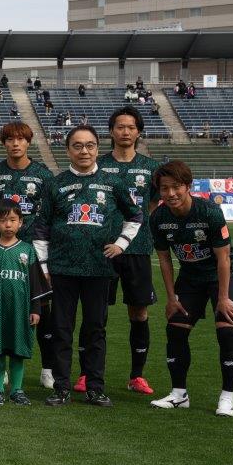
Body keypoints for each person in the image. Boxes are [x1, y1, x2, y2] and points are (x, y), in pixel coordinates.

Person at [34, 126, 143, 409]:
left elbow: (135, 215)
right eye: (78, 145)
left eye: (90, 145)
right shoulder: (55, 184)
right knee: (61, 329)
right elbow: (41, 229)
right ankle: (61, 388)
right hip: (61, 269)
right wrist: (44, 266)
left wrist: (121, 243)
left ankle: (95, 388)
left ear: (97, 148)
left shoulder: (113, 183)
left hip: (99, 269)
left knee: (95, 329)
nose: (84, 151)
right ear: (68, 150)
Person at [147, 161, 233, 417]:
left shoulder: (209, 211)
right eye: (164, 188)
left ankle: (227, 398)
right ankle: (179, 395)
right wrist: (171, 298)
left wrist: (223, 298)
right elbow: (164, 260)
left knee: (226, 330)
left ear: (188, 186)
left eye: (176, 187)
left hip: (222, 274)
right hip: (190, 276)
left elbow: (224, 258)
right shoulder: (158, 218)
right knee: (175, 330)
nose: (170, 194)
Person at [0, 121, 56, 389]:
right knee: (2, 306)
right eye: (10, 139)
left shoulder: (43, 173)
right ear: (3, 143)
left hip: (35, 249)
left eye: (21, 139)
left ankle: (47, 369)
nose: (15, 144)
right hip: (2, 249)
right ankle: (1, 373)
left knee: (42, 307)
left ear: (28, 142)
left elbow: (50, 212)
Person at [97, 105, 160, 396]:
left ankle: (137, 376)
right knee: (97, 311)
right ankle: (88, 373)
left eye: (131, 127)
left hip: (138, 247)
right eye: (120, 127)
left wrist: (135, 230)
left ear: (138, 132)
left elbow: (152, 204)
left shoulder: (150, 168)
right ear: (111, 131)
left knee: (139, 311)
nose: (125, 132)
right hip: (102, 248)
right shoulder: (98, 164)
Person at [0, 204, 50, 406]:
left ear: (20, 223)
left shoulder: (27, 250)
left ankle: (17, 390)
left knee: (18, 350)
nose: (8, 225)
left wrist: (36, 309)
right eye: (3, 220)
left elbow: (35, 283)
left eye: (12, 220)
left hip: (21, 310)